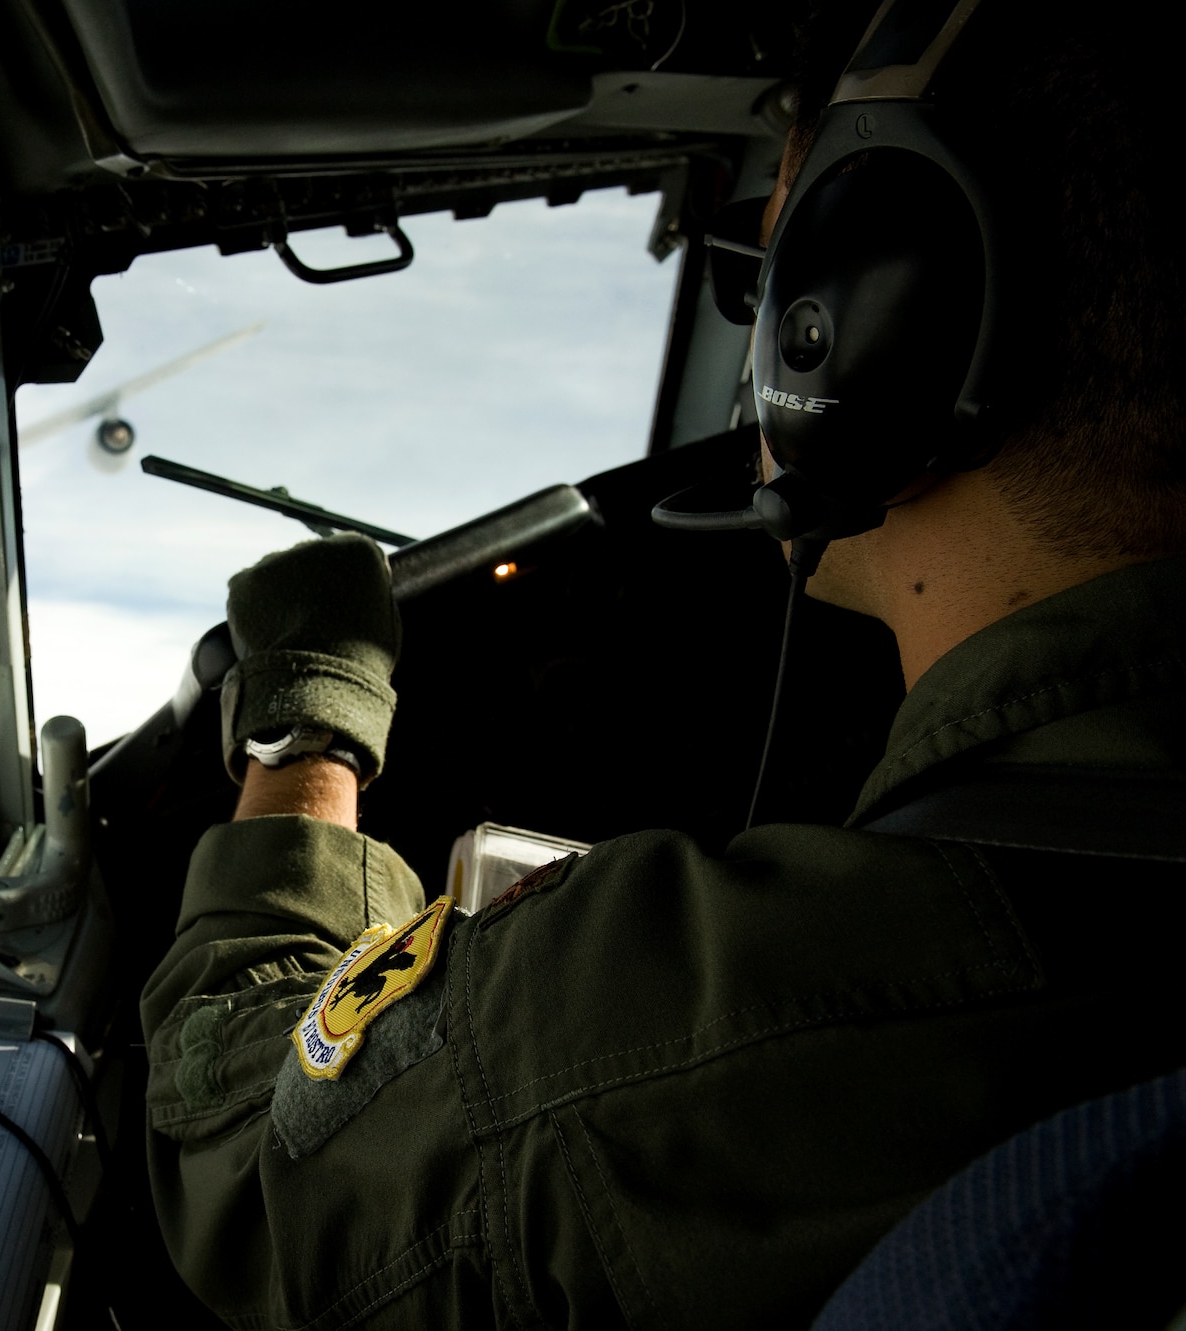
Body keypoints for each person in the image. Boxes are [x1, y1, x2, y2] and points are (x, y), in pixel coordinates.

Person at [138, 3, 1186, 1326]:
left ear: (855, 334)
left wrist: (310, 731)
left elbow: (243, 1148)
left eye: (771, 273)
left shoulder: (717, 1020)